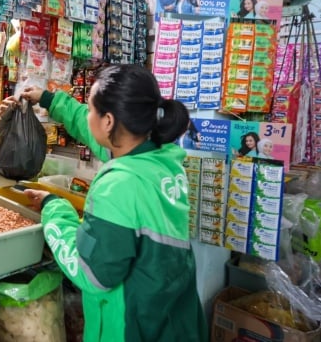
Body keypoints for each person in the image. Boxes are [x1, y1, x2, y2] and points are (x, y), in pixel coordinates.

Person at [19, 64, 208, 342]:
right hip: (175, 321)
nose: (89, 114)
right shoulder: (163, 159)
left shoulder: (118, 184)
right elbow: (91, 127)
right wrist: (49, 100)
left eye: (92, 108)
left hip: (131, 328)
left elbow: (90, 272)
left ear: (108, 121)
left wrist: (54, 208)